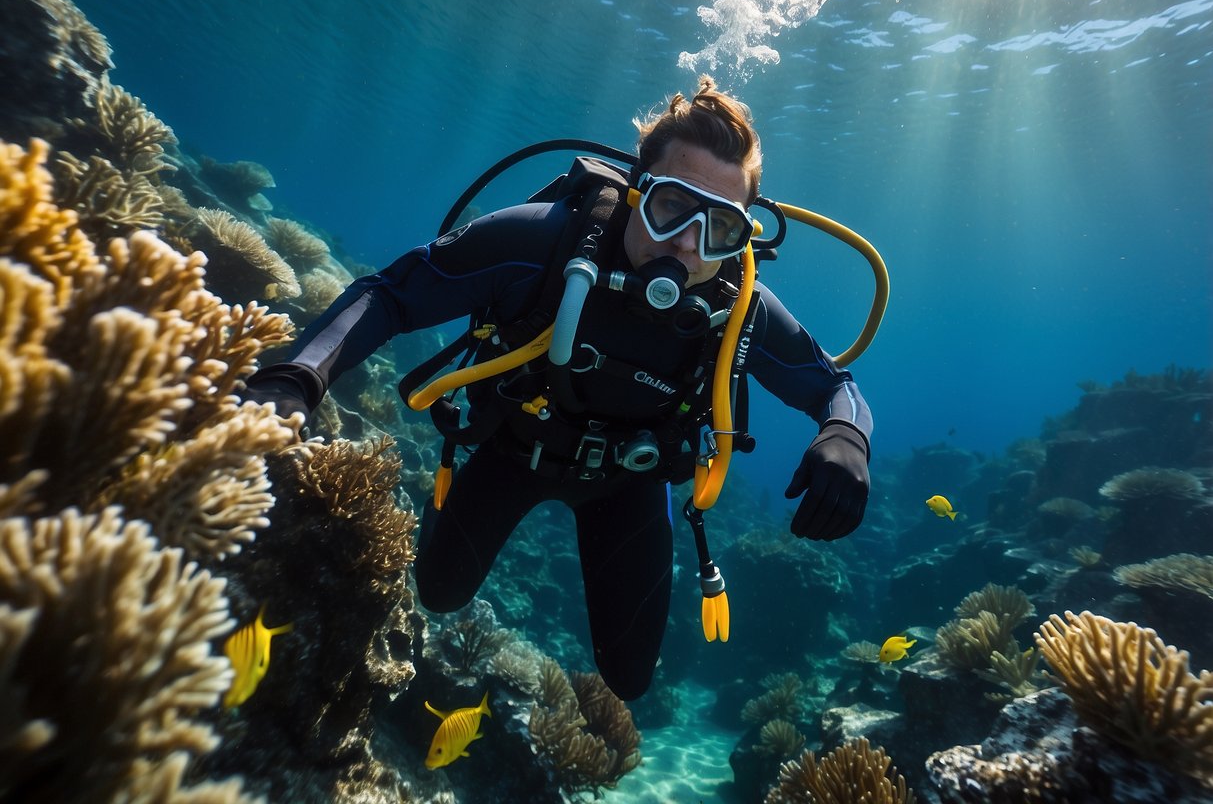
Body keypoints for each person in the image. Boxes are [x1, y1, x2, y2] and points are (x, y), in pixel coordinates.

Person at [243, 76, 873, 700]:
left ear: (743, 236)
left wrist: (846, 437)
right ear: (633, 192)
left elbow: (833, 386)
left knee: (629, 680)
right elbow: (393, 296)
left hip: (628, 484)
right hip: (511, 448)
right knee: (437, 594)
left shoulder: (740, 310)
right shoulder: (538, 244)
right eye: (671, 208)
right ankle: (437, 508)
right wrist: (295, 376)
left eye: (721, 229)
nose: (687, 244)